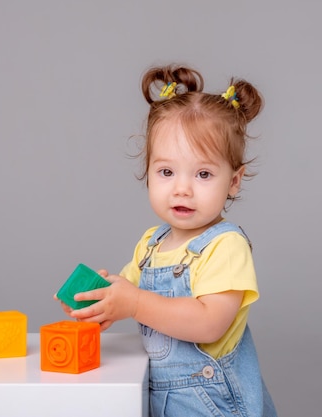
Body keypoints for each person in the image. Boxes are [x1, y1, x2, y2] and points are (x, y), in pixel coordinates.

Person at [57, 64, 277, 417]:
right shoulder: (151, 244)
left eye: (203, 174)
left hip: (213, 407)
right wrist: (100, 300)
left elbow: (210, 322)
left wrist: (134, 304)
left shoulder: (226, 246)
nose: (182, 188)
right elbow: (127, 292)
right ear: (148, 171)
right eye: (166, 171)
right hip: (165, 403)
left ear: (234, 181)